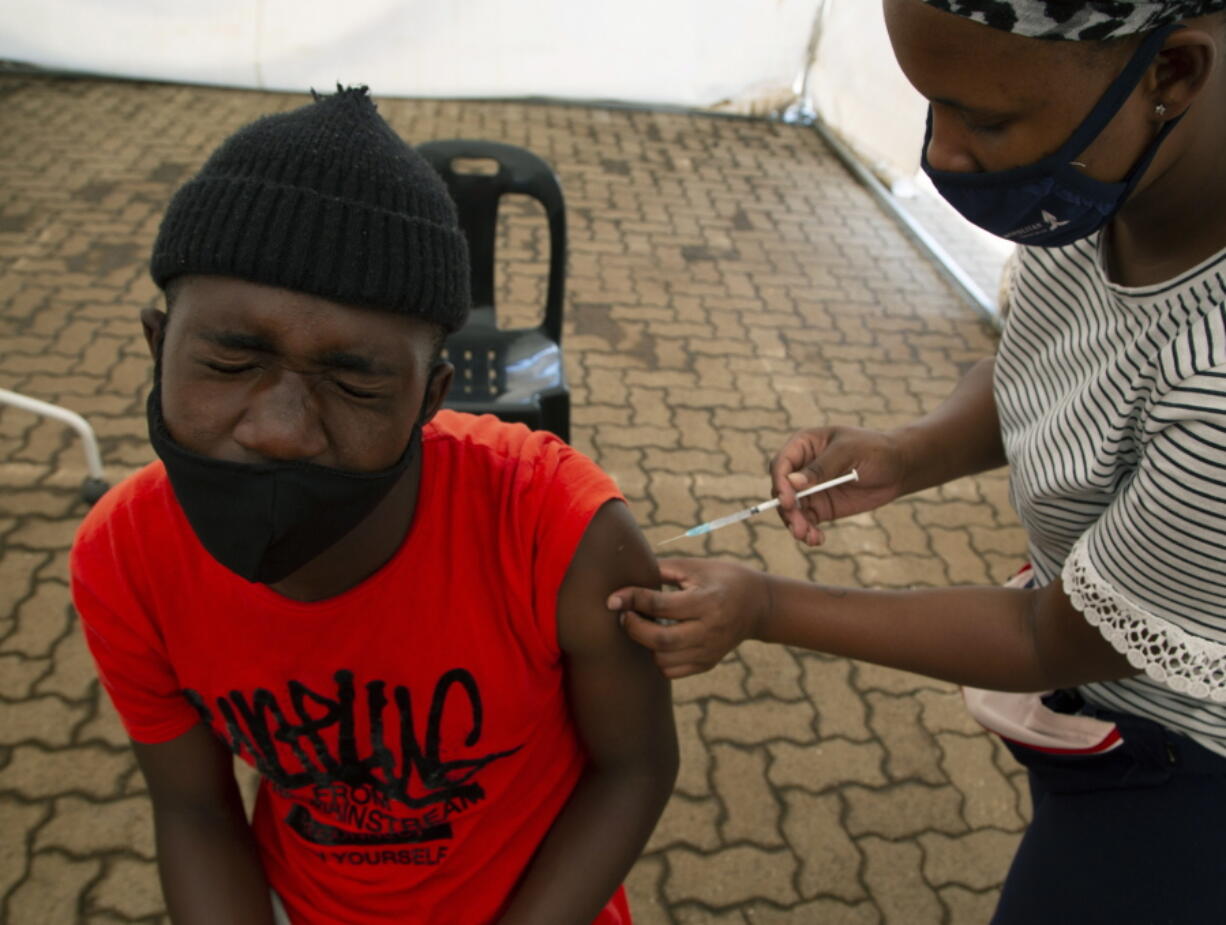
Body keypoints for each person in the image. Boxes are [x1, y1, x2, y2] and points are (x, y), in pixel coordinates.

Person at [608, 2, 1226, 922]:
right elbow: (1045, 363)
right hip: (1096, 691)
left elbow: (1047, 636)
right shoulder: (1100, 181)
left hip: (1183, 765)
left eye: (983, 119)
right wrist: (910, 453)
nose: (944, 155)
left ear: (1171, 72)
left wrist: (766, 603)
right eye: (931, 105)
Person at [70, 86, 677, 925]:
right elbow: (193, 807)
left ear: (431, 398)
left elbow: (634, 767)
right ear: (156, 344)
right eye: (231, 359)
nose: (280, 429)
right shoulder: (125, 558)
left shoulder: (559, 532)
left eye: (354, 381)